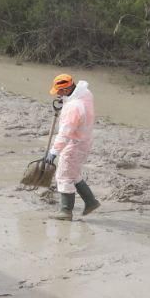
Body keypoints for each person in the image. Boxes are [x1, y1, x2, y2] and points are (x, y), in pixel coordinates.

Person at [45, 73, 101, 221]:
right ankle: (91, 202)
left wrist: (53, 152)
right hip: (85, 140)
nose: (57, 94)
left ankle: (65, 211)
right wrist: (65, 101)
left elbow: (65, 133)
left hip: (74, 145)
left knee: (63, 176)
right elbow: (77, 107)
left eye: (59, 92)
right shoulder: (85, 94)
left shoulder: (73, 108)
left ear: (65, 90)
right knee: (73, 174)